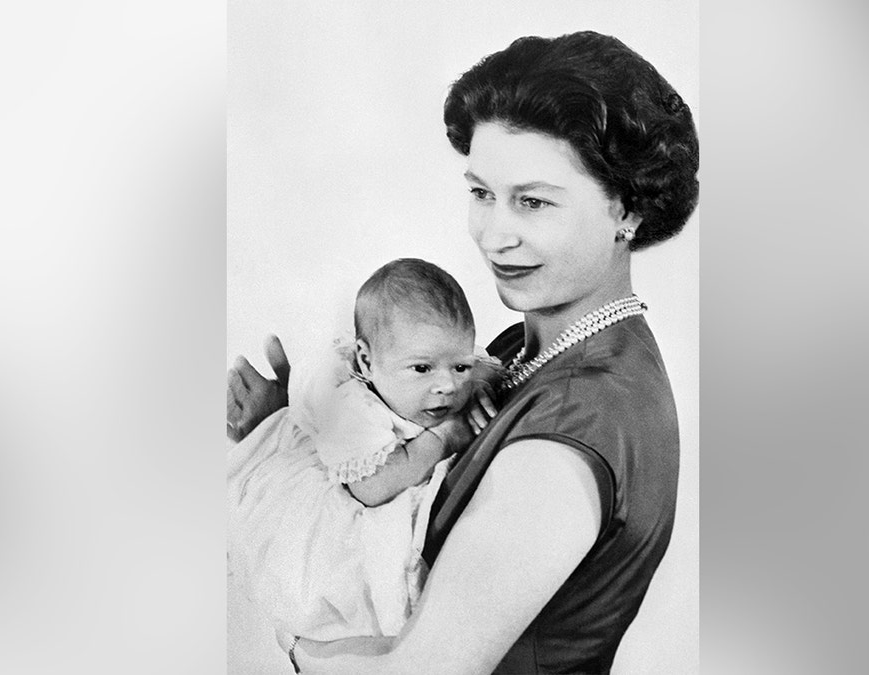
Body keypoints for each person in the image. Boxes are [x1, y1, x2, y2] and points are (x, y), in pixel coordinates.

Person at [227, 30, 698, 673]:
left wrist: (296, 636)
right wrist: (299, 429)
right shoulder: (528, 347)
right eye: (481, 193)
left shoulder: (572, 435)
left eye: (532, 202)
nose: (494, 234)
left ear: (628, 212)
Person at [227, 258, 496, 643]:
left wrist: (480, 380)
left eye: (460, 366)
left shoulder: (436, 368)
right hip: (339, 494)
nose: (448, 386)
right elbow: (370, 488)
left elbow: (479, 368)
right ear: (367, 362)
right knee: (346, 582)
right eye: (422, 369)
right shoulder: (354, 410)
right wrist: (442, 438)